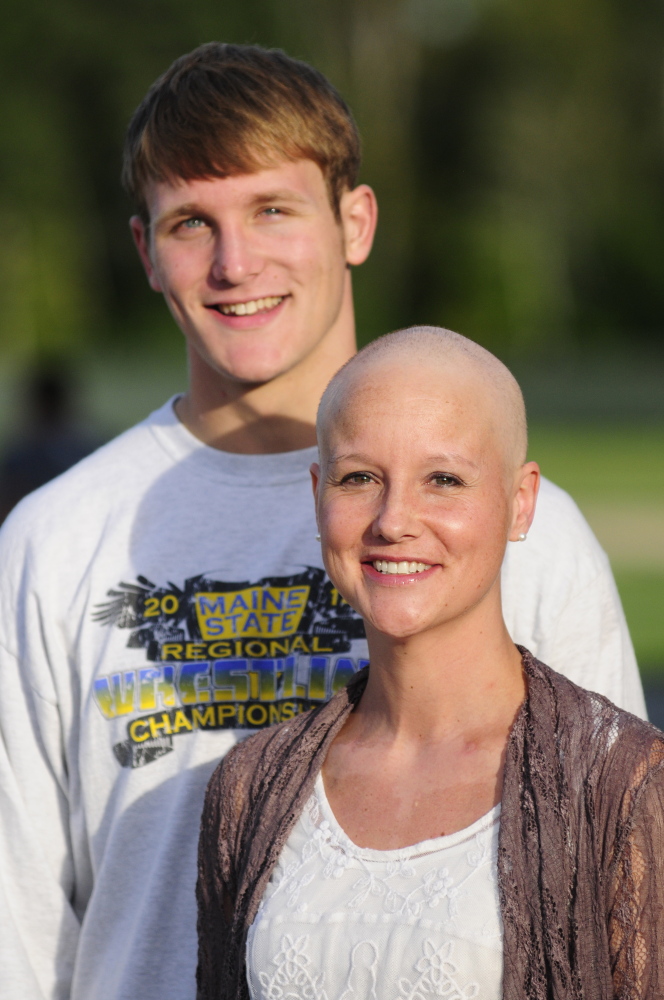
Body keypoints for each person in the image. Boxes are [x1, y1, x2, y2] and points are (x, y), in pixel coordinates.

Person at [0, 43, 645, 1000]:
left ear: (355, 220)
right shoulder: (54, 540)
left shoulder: (524, 528)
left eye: (272, 209)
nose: (234, 262)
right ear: (144, 253)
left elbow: (614, 860)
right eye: (190, 223)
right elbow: (19, 929)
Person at [197, 327, 664, 1000]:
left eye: (443, 479)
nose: (394, 520)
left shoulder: (625, 785)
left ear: (520, 501)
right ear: (316, 492)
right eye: (359, 477)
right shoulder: (250, 787)